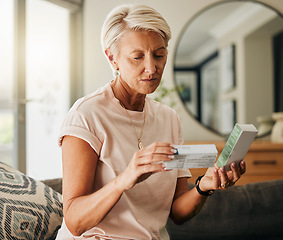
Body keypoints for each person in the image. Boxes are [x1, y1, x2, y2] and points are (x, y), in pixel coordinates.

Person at [55, 4, 246, 240]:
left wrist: (203, 186)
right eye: (137, 57)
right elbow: (74, 221)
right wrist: (125, 179)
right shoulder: (87, 114)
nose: (152, 68)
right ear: (112, 58)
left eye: (159, 55)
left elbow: (177, 212)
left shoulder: (168, 119)